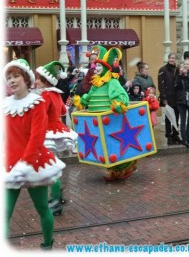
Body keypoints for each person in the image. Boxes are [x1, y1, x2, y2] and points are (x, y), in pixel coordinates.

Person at [3, 58, 66, 250]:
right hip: (10, 163)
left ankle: (47, 246)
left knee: (42, 209)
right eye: (9, 77)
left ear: (26, 79)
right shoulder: (5, 105)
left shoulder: (37, 103)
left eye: (16, 76)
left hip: (33, 163)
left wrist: (24, 164)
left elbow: (37, 137)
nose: (12, 81)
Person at [74, 45, 137, 181]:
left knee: (114, 145)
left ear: (106, 68)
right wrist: (82, 101)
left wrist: (119, 104)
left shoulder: (112, 82)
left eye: (99, 66)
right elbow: (89, 96)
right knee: (104, 146)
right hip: (97, 121)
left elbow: (121, 96)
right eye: (95, 66)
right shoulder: (96, 84)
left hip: (110, 119)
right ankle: (114, 170)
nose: (96, 68)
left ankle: (122, 169)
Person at [35, 61, 78, 215]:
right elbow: (62, 112)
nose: (36, 81)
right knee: (52, 166)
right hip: (56, 131)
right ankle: (56, 196)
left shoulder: (45, 95)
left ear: (45, 81)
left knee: (50, 168)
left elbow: (40, 115)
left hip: (48, 133)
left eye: (38, 79)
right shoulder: (55, 94)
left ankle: (55, 200)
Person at [158, 52, 182, 145]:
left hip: (176, 98)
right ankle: (168, 136)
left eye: (174, 58)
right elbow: (161, 85)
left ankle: (175, 135)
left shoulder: (177, 69)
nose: (172, 59)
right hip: (167, 98)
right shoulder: (162, 70)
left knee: (176, 117)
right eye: (171, 58)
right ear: (168, 59)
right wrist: (163, 97)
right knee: (168, 118)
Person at [175, 59, 189, 147]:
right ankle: (184, 139)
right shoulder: (179, 75)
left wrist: (187, 76)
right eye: (184, 64)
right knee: (183, 120)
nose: (185, 65)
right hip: (181, 100)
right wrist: (180, 75)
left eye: (187, 64)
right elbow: (177, 86)